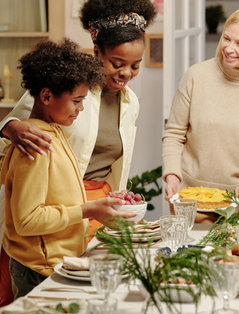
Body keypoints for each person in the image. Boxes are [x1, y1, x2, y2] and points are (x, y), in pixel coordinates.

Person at [0, 0, 156, 237]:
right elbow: (14, 125)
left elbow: (114, 166)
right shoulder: (64, 90)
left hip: (100, 209)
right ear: (97, 52)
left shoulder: (131, 103)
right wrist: (10, 127)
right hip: (55, 208)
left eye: (135, 66)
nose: (126, 73)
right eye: (117, 64)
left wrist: (120, 198)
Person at [1, 38, 137, 299]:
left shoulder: (55, 131)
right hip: (37, 269)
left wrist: (102, 201)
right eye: (76, 101)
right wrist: (87, 209)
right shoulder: (36, 145)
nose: (81, 108)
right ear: (46, 96)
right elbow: (27, 221)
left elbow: (59, 195)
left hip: (53, 262)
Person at [162, 5, 239, 222]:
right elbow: (174, 134)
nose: (228, 48)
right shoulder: (196, 76)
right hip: (191, 203)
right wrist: (172, 175)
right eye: (226, 39)